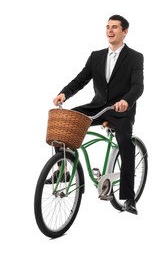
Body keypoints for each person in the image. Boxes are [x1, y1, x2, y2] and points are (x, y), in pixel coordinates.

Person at [52, 15, 144, 215]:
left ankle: (129, 198)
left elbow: (138, 86)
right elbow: (81, 79)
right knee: (67, 121)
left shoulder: (135, 57)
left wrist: (126, 101)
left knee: (125, 144)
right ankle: (62, 170)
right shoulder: (96, 56)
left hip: (120, 111)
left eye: (115, 27)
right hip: (98, 107)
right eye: (107, 27)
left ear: (125, 31)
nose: (110, 31)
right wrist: (64, 93)